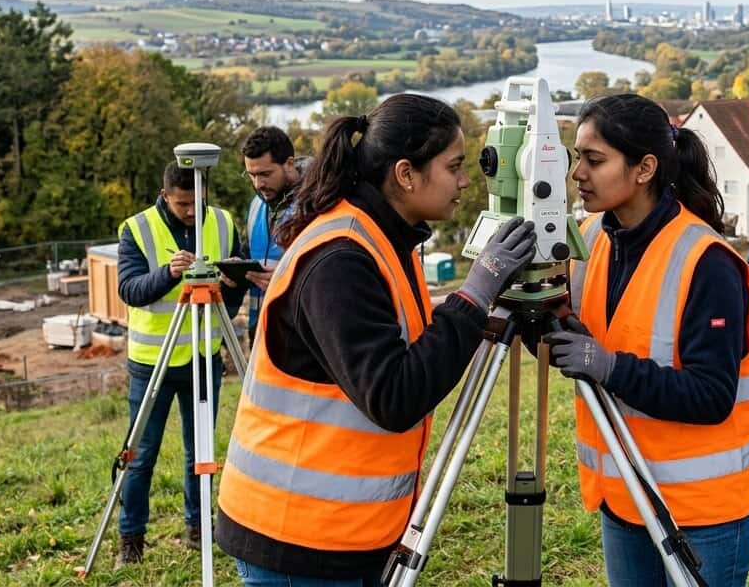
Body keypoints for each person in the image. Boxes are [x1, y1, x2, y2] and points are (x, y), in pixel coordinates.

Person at [215, 94, 537, 587]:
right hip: (297, 538)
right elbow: (393, 394)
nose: (466, 181)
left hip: (340, 530)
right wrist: (475, 293)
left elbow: (402, 344)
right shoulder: (342, 259)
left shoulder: (384, 235)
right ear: (406, 174)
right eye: (454, 167)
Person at [550, 93, 749, 587]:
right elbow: (595, 338)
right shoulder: (589, 238)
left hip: (704, 508)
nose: (578, 174)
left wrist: (609, 366)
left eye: (594, 160)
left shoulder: (707, 262)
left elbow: (711, 397)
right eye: (576, 158)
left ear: (644, 168)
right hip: (625, 494)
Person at [115, 160, 247, 564]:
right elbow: (129, 289)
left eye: (195, 203)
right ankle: (130, 541)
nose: (191, 211)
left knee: (200, 453)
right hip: (152, 361)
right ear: (164, 196)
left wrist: (229, 288)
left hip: (203, 357)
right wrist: (168, 274)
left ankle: (198, 528)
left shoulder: (223, 223)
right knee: (140, 455)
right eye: (182, 204)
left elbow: (236, 278)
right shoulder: (135, 229)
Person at [240, 125, 308, 337]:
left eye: (265, 174)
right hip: (261, 330)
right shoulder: (256, 205)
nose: (258, 184)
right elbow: (249, 254)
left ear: (289, 164)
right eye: (251, 175)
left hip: (301, 334)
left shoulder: (316, 205)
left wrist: (287, 283)